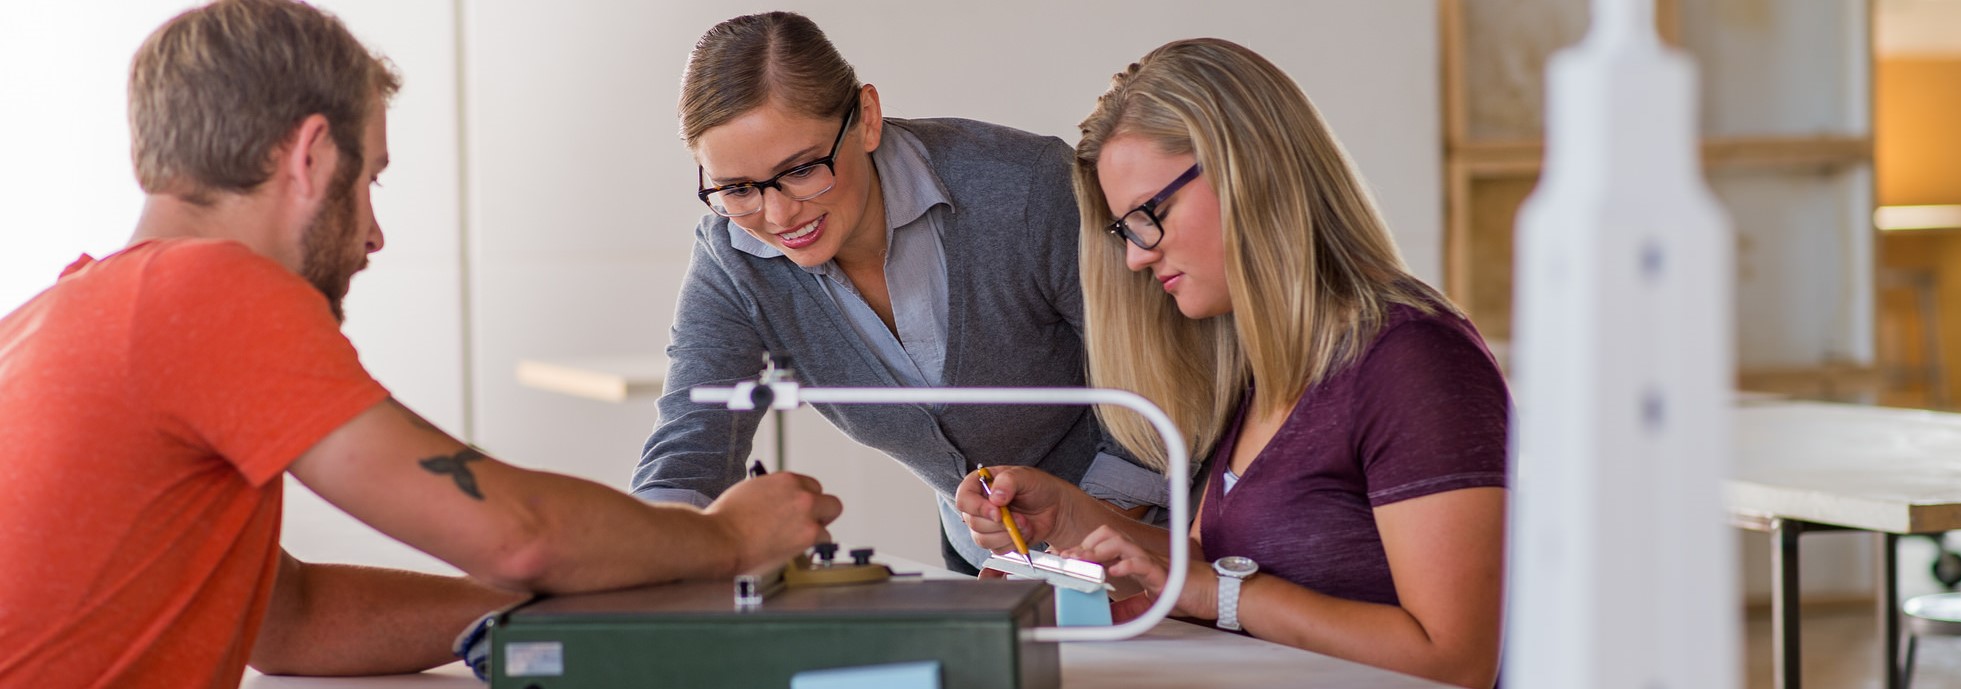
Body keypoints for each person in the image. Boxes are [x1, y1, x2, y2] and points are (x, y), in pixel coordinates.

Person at [0, 2, 840, 685]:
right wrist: (725, 540)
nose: (374, 234)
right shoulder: (209, 291)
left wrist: (545, 610)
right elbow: (520, 531)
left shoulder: (69, 311)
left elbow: (286, 620)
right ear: (311, 156)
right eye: (370, 180)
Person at [954, 38, 1510, 688]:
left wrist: (1221, 596)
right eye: (1125, 230)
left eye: (1149, 215)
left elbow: (1456, 659)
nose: (1136, 257)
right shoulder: (1261, 369)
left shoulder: (1414, 359)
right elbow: (1210, 568)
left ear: (1249, 169)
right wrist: (1075, 517)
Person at [634, 11, 1167, 574]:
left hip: (1156, 531)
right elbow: (689, 444)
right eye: (737, 188)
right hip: (989, 558)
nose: (777, 214)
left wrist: (1085, 535)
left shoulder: (1025, 187)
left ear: (866, 118)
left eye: (802, 169)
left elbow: (1161, 373)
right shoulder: (733, 258)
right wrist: (649, 565)